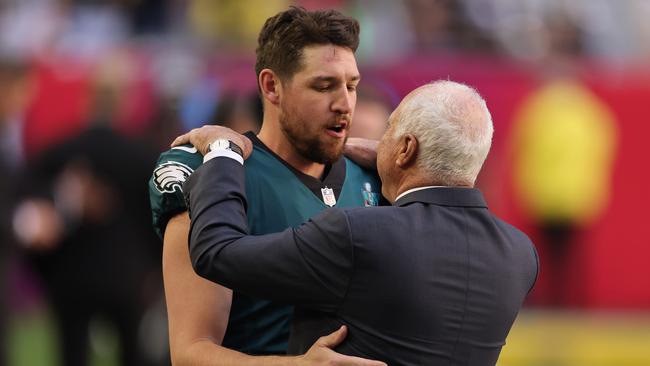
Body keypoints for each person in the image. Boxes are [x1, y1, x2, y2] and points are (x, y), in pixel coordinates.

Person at [180, 80, 539, 366]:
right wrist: (390, 164)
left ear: (406, 149)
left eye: (390, 131)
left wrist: (223, 154)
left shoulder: (358, 235)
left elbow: (218, 252)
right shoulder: (520, 255)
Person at [148, 6, 384, 365]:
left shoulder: (372, 175)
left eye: (352, 86)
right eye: (324, 86)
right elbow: (191, 351)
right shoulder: (214, 175)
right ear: (272, 86)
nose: (345, 104)